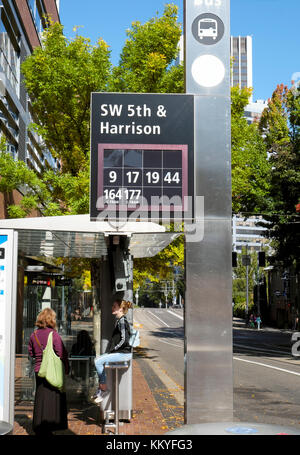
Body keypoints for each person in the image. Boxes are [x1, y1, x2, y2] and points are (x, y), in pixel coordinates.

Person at [28, 308, 69, 436]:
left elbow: (31, 353)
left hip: (39, 370)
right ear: (51, 319)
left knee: (40, 398)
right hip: (52, 371)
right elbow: (61, 352)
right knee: (52, 399)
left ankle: (39, 426)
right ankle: (49, 426)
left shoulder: (33, 335)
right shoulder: (53, 334)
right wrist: (67, 367)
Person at [93, 299, 133, 404]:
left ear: (120, 308)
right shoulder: (120, 320)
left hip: (123, 354)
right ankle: (101, 389)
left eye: (114, 306)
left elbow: (124, 340)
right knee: (99, 360)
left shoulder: (122, 321)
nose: (112, 308)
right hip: (121, 353)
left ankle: (103, 390)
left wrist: (114, 349)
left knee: (98, 361)